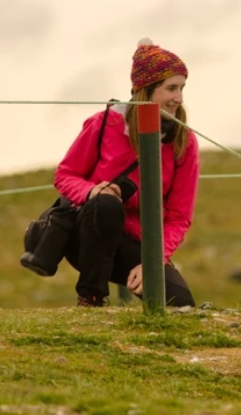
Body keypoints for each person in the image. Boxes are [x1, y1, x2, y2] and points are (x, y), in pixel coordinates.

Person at [51, 38, 200, 307]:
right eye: (171, 88)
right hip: (87, 236)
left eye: (182, 88)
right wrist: (92, 191)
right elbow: (65, 175)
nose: (178, 98)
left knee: (182, 304)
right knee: (106, 203)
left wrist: (153, 262)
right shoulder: (103, 123)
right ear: (146, 90)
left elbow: (180, 217)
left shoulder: (184, 141)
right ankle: (91, 298)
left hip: (139, 245)